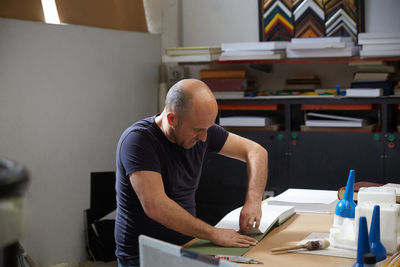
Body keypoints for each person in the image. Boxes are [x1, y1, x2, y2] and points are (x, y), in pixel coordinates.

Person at [115, 79, 268, 267]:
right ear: (172, 118)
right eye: (198, 130)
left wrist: (254, 200)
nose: (204, 137)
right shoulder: (138, 141)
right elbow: (156, 207)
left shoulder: (203, 131)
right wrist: (214, 233)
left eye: (207, 128)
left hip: (188, 247)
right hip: (143, 256)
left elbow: (256, 151)